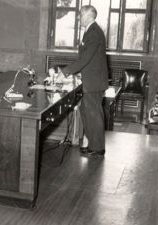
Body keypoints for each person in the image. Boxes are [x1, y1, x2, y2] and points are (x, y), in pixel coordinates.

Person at [59, 5, 108, 157]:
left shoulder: (94, 33)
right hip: (90, 80)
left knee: (94, 114)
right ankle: (93, 144)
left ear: (90, 16)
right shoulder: (90, 31)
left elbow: (85, 58)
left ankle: (98, 148)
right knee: (86, 112)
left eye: (81, 15)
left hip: (94, 82)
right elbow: (86, 59)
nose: (78, 17)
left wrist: (65, 72)